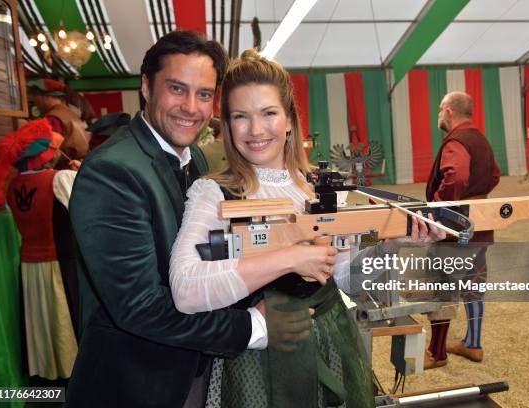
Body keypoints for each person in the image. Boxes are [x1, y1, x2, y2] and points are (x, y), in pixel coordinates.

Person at [169, 49, 445, 408]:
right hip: (256, 361)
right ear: (226, 124)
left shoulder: (318, 188)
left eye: (268, 113)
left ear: (288, 119)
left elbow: (346, 278)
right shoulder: (212, 193)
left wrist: (394, 244)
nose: (255, 130)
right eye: (240, 116)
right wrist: (289, 258)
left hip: (331, 345)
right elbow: (185, 289)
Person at [66, 31, 267, 407]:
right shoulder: (112, 172)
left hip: (192, 372)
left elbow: (206, 250)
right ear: (146, 86)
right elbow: (141, 306)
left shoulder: (198, 161)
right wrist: (253, 326)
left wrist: (275, 256)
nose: (191, 107)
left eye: (204, 94)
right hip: (136, 385)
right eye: (177, 88)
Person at [0, 119, 78, 382]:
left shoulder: (12, 187)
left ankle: (44, 373)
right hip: (58, 265)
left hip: (28, 265)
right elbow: (87, 205)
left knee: (39, 321)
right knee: (62, 320)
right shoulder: (60, 179)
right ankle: (68, 372)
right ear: (48, 156)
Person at [423, 91, 501, 369]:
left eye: (439, 109)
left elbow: (456, 176)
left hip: (455, 227)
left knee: (441, 285)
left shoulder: (456, 141)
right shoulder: (481, 139)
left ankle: (436, 353)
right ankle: (473, 345)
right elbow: (494, 175)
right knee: (473, 285)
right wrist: (476, 200)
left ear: (449, 111)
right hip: (481, 225)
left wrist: (437, 208)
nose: (438, 115)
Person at [27, 79, 91, 164]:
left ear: (46, 97)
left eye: (35, 96)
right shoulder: (72, 114)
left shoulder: (53, 118)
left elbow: (48, 152)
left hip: (64, 169)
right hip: (79, 166)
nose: (34, 101)